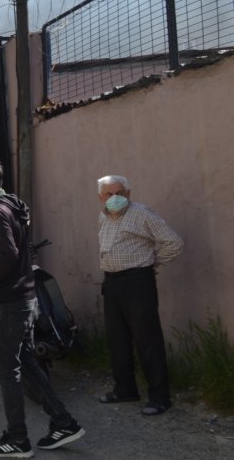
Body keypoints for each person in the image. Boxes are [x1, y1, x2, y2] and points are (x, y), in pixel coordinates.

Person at [0, 157, 84, 457]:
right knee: (26, 362)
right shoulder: (13, 205)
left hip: (8, 302)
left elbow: (7, 254)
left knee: (6, 369)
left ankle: (17, 439)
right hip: (22, 298)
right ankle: (64, 422)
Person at [96, 175, 183, 416]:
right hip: (112, 282)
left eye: (120, 193)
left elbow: (173, 242)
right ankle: (125, 389)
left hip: (137, 282)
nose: (115, 198)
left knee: (147, 339)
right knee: (117, 339)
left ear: (129, 194)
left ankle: (159, 397)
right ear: (100, 197)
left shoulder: (142, 214)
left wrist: (151, 263)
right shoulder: (103, 216)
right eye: (109, 194)